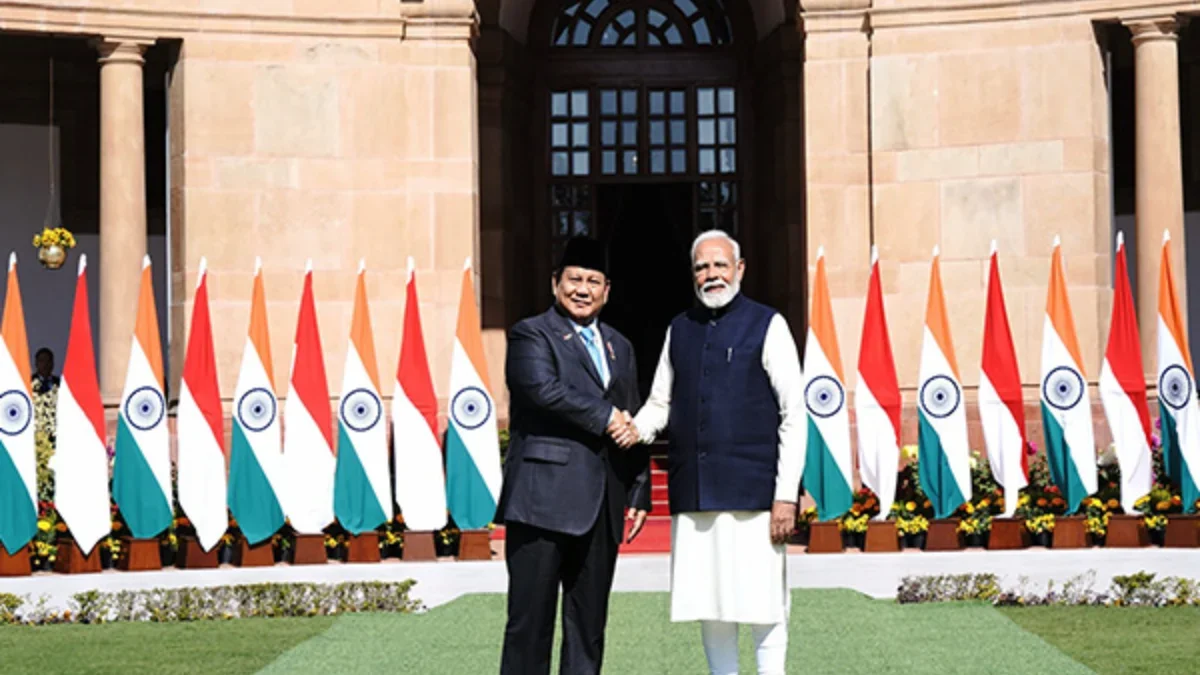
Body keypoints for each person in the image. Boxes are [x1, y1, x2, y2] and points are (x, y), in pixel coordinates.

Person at [628, 229, 804, 675]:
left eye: (720, 264)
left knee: (764, 605)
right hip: (696, 496)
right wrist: (628, 428)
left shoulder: (770, 324)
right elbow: (660, 403)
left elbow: (794, 414)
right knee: (710, 605)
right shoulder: (678, 329)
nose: (712, 274)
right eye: (702, 267)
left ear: (739, 269)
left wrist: (785, 495)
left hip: (755, 497)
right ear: (693, 274)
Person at [496, 236, 651, 675]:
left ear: (607, 291)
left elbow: (633, 414)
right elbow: (542, 390)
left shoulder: (621, 345)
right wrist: (605, 417)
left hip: (602, 504)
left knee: (589, 626)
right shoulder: (530, 333)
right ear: (555, 284)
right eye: (574, 279)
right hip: (541, 501)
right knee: (530, 625)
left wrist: (639, 488)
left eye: (593, 281)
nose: (583, 289)